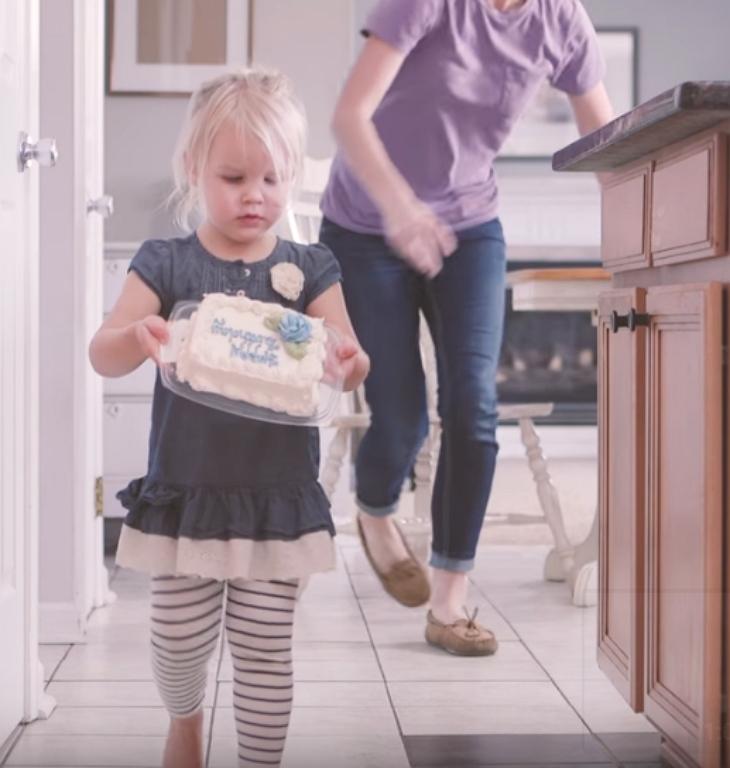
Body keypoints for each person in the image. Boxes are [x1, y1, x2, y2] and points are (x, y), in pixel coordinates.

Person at [89, 69, 369, 768]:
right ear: (194, 169)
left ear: (292, 176)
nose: (255, 194)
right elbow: (103, 352)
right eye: (234, 177)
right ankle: (185, 720)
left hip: (276, 496)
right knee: (178, 643)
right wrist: (139, 336)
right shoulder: (166, 264)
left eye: (273, 178)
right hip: (188, 493)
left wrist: (346, 361)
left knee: (265, 650)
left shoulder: (311, 267)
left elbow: (348, 357)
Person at [319, 0, 614, 656]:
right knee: (402, 419)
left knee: (474, 404)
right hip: (365, 224)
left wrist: (638, 242)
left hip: (470, 225)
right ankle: (375, 508)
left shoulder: (561, 20)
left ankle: (449, 601)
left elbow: (606, 149)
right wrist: (401, 210)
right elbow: (349, 116)